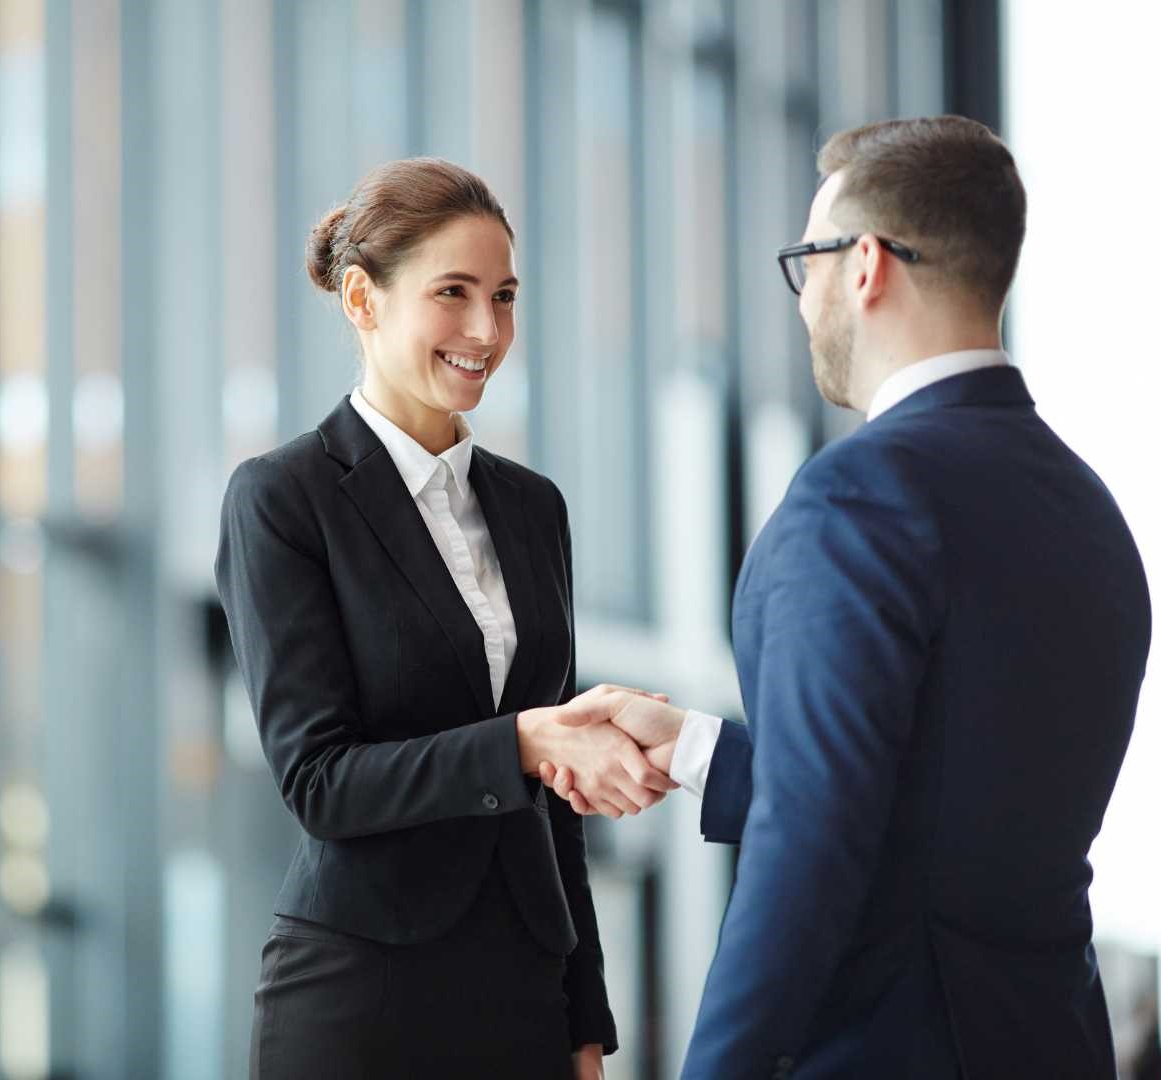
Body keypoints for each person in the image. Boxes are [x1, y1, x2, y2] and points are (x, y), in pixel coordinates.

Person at [545, 116, 1152, 1078]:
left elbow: (811, 855)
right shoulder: (1093, 514)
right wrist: (701, 751)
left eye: (808, 262)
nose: (802, 300)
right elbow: (935, 816)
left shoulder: (858, 497)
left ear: (865, 264)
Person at [214, 157, 677, 1078]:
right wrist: (523, 743)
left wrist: (586, 1024)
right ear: (362, 299)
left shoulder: (534, 507)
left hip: (524, 995)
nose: (485, 330)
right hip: (361, 995)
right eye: (453, 293)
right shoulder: (284, 498)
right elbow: (320, 781)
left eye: (503, 296)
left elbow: (560, 808)